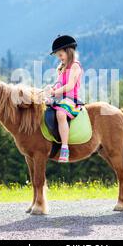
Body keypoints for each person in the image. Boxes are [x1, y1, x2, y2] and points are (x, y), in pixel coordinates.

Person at [44, 35, 83, 163]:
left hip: (71, 99)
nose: (59, 58)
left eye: (61, 55)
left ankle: (65, 147)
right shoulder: (61, 68)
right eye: (58, 56)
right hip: (60, 97)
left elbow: (70, 85)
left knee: (61, 113)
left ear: (68, 52)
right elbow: (59, 83)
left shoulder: (75, 66)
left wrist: (55, 92)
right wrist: (51, 88)